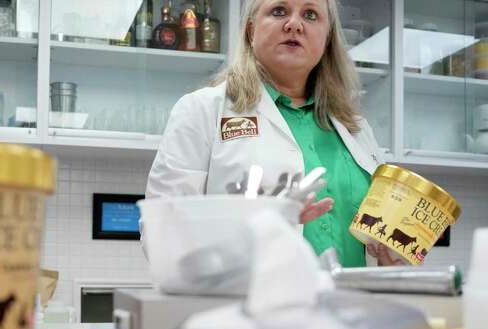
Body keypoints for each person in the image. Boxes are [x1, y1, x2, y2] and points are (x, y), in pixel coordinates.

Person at [146, 0, 401, 266]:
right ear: (251, 30)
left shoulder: (356, 128)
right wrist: (255, 229)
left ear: (327, 39)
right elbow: (162, 233)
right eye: (279, 11)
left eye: (311, 15)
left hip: (355, 303)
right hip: (251, 303)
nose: (294, 24)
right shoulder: (202, 111)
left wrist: (391, 260)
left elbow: (380, 234)